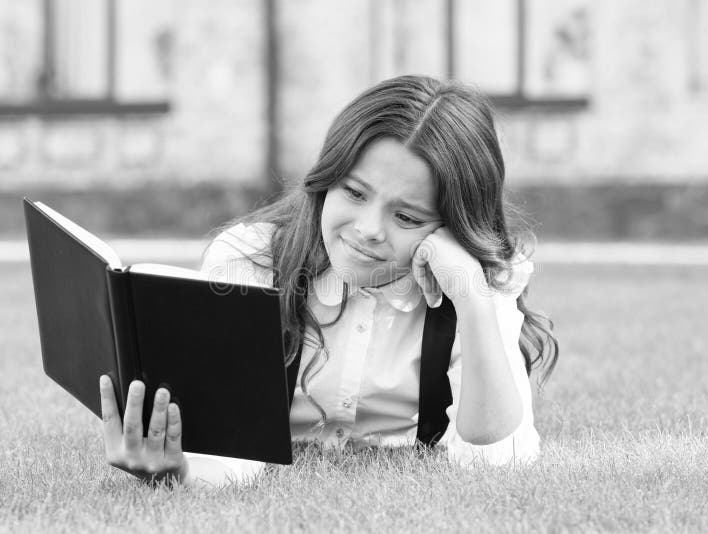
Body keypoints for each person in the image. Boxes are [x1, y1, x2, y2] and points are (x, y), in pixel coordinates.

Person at [98, 75, 558, 487]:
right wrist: (179, 470)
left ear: (452, 225)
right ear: (326, 179)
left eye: (407, 215)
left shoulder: (476, 276)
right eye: (354, 193)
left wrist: (472, 299)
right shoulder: (253, 262)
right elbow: (231, 448)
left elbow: (498, 459)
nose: (368, 229)